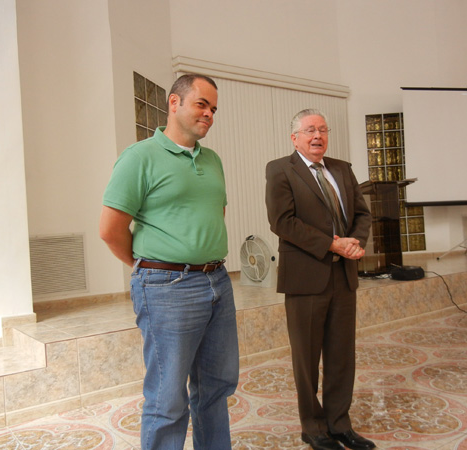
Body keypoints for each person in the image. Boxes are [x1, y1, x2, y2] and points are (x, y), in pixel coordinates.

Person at [99, 73, 239, 450]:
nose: (209, 113)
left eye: (213, 108)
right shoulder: (139, 157)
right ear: (174, 103)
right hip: (168, 288)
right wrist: (151, 268)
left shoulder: (212, 160)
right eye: (201, 104)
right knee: (167, 398)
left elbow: (214, 213)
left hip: (217, 282)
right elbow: (110, 229)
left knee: (215, 387)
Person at [265, 109, 375, 450]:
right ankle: (313, 427)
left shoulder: (342, 169)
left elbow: (361, 213)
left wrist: (355, 242)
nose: (317, 136)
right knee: (307, 357)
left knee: (342, 355)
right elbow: (282, 222)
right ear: (294, 137)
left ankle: (339, 423)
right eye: (310, 130)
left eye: (323, 130)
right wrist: (332, 244)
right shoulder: (280, 169)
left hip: (343, 276)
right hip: (306, 277)